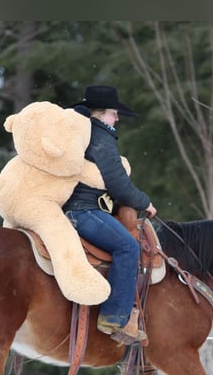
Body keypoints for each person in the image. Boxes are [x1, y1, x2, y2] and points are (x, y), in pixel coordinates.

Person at [63, 85, 157, 343]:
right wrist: (144, 202)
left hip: (71, 207)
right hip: (82, 210)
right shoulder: (99, 135)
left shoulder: (78, 132)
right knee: (128, 247)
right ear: (100, 114)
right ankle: (114, 319)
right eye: (113, 113)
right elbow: (117, 182)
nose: (116, 119)